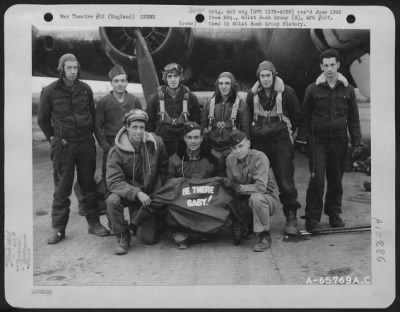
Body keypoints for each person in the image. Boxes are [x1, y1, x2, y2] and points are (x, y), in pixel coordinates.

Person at [38, 53, 109, 244]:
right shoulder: (50, 91)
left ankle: (94, 224)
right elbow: (42, 119)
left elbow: (93, 118)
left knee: (88, 186)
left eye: (75, 68)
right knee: (62, 188)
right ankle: (59, 229)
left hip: (85, 143)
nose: (72, 72)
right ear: (61, 69)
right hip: (64, 145)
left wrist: (100, 142)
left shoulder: (85, 89)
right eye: (68, 68)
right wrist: (53, 137)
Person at [296, 49, 363, 232]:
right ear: (321, 67)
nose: (329, 69)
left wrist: (357, 142)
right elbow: (305, 117)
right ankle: (312, 218)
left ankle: (334, 214)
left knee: (336, 180)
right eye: (326, 65)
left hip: (340, 141)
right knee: (316, 179)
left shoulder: (348, 90)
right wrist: (301, 140)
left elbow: (354, 119)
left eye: (332, 65)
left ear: (338, 65)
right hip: (318, 141)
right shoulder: (312, 89)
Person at [245, 60, 302, 236]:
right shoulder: (252, 95)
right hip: (260, 143)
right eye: (262, 76)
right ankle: (252, 219)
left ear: (274, 75)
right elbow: (247, 117)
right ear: (258, 77)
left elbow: (297, 116)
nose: (265, 79)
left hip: (280, 142)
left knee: (285, 182)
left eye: (268, 75)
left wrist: (290, 137)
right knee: (257, 181)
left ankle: (291, 215)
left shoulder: (287, 93)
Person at [106, 109, 168, 255]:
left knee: (149, 239)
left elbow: (164, 166)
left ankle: (140, 220)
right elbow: (114, 182)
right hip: (129, 193)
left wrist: (158, 190)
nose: (138, 132)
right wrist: (137, 193)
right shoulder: (116, 152)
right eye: (134, 127)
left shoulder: (156, 143)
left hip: (149, 194)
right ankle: (122, 234)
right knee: (112, 201)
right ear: (127, 128)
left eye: (142, 127)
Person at [225, 131, 280, 252]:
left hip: (266, 198)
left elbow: (260, 187)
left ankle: (264, 235)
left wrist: (239, 188)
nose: (238, 151)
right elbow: (231, 184)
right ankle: (245, 224)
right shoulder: (229, 160)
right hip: (243, 199)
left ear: (248, 144)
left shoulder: (260, 157)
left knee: (256, 198)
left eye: (241, 146)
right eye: (234, 148)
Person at [167, 121, 216, 249]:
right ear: (184, 138)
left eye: (196, 137)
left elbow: (219, 180)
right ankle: (184, 233)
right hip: (183, 199)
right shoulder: (175, 159)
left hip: (204, 198)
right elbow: (168, 182)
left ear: (201, 138)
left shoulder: (212, 157)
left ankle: (201, 231)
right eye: (189, 137)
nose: (193, 141)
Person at [95, 65, 142, 188]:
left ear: (127, 82)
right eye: (116, 81)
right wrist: (105, 147)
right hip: (111, 146)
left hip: (130, 146)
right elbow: (97, 126)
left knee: (132, 178)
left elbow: (141, 124)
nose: (120, 84)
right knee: (110, 179)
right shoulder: (104, 102)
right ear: (111, 83)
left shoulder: (134, 100)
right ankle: (109, 204)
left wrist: (138, 143)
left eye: (123, 80)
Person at [146, 63, 201, 156]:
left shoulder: (191, 98)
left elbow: (197, 121)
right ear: (165, 78)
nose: (173, 79)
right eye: (169, 76)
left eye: (176, 76)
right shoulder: (155, 98)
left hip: (184, 141)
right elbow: (149, 123)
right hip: (163, 141)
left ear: (180, 77)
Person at [201, 72, 250, 176]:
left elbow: (245, 133)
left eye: (227, 83)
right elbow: (203, 129)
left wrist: (238, 152)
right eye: (221, 83)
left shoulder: (241, 105)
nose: (224, 87)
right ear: (217, 85)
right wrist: (207, 150)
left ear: (232, 85)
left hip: (232, 150)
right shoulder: (208, 104)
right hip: (212, 149)